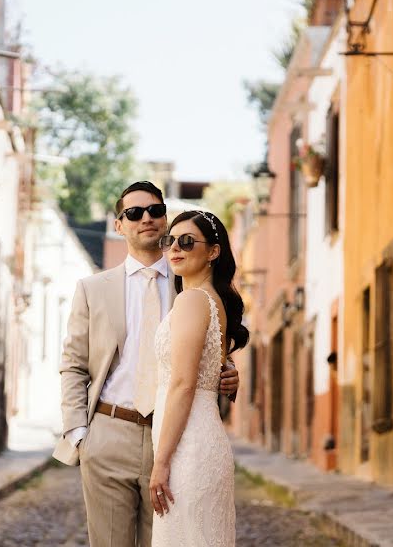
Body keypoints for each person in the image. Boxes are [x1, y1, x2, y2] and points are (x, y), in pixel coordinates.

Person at [54, 182, 240, 547]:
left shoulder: (189, 279)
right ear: (119, 225)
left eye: (155, 211)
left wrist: (227, 370)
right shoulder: (92, 289)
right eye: (134, 213)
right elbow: (73, 365)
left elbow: (204, 351)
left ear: (166, 217)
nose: (147, 219)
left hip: (175, 434)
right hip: (110, 432)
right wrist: (80, 433)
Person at [148, 210, 247, 547]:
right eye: (169, 240)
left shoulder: (191, 299)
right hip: (200, 440)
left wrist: (160, 464)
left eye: (187, 241)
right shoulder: (210, 301)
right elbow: (211, 365)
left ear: (213, 251)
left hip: (188, 448)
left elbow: (183, 383)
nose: (175, 247)